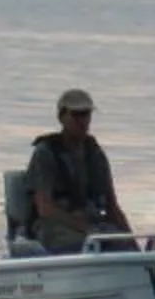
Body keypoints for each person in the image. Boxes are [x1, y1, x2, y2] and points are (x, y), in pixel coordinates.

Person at [25, 87, 133, 253]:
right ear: (62, 117)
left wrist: (131, 241)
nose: (82, 121)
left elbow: (112, 207)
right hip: (55, 227)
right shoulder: (46, 153)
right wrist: (82, 226)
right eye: (76, 115)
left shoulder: (95, 154)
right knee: (86, 245)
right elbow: (44, 208)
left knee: (119, 244)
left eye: (86, 114)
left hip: (94, 225)